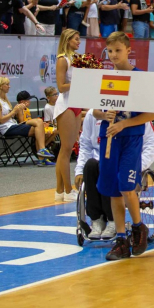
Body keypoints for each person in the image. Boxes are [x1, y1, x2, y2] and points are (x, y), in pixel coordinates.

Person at [92, 32, 154, 260]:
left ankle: (138, 227)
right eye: (110, 51)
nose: (113, 55)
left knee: (127, 187)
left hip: (131, 138)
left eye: (118, 50)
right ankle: (120, 238)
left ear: (128, 50)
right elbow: (95, 110)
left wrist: (125, 124)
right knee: (112, 190)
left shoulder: (141, 78)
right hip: (109, 137)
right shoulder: (105, 77)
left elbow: (151, 114)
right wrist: (103, 112)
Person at [75, 112, 154, 240]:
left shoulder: (137, 114)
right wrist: (79, 170)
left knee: (117, 178)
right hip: (101, 159)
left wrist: (136, 166)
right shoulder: (92, 115)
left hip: (128, 159)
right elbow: (85, 145)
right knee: (91, 166)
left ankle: (113, 221)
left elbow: (151, 144)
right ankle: (96, 220)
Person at [0, 77, 54, 161]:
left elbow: (10, 116)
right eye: (7, 84)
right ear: (0, 86)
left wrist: (17, 110)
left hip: (13, 125)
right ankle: (42, 154)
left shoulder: (5, 100)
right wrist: (14, 111)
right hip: (6, 128)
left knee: (39, 124)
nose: (9, 86)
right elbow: (0, 120)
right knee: (39, 127)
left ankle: (42, 155)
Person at [53, 30, 84, 202]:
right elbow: (61, 86)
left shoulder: (78, 59)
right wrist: (81, 81)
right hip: (66, 105)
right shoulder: (62, 59)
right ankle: (67, 189)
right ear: (67, 40)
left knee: (69, 147)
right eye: (76, 39)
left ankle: (59, 191)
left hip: (77, 104)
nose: (79, 42)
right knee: (65, 150)